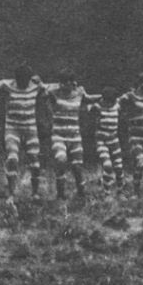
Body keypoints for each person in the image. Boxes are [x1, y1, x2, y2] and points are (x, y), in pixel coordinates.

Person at [44, 69, 100, 200]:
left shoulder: (80, 93)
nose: (66, 85)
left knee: (77, 166)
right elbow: (43, 88)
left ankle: (82, 193)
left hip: (75, 136)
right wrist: (57, 84)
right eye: (63, 82)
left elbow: (90, 98)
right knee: (61, 160)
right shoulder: (54, 93)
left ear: (73, 83)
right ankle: (60, 194)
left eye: (69, 82)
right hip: (58, 135)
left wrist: (104, 95)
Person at [0, 64, 46, 199]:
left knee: (34, 161)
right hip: (12, 128)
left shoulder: (36, 87)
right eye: (20, 79)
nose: (23, 82)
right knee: (12, 158)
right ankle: (11, 192)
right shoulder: (8, 85)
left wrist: (41, 82)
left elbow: (50, 90)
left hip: (30, 129)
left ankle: (35, 193)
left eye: (25, 80)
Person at [90, 87, 124, 194]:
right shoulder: (97, 107)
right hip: (102, 140)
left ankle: (120, 189)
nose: (110, 104)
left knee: (119, 166)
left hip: (114, 140)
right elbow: (89, 109)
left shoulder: (117, 105)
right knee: (107, 165)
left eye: (112, 101)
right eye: (107, 101)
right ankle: (106, 192)